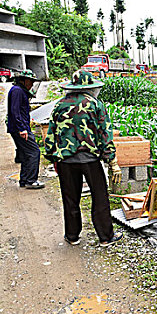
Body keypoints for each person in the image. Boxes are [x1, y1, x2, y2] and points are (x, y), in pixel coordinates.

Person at [44, 70, 123, 247]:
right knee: (100, 197)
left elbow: (51, 134)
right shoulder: (95, 104)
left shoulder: (59, 105)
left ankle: (72, 236)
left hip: (66, 161)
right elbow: (105, 134)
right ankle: (105, 237)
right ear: (90, 87)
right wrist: (112, 160)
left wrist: (53, 157)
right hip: (90, 160)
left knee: (70, 198)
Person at [6, 70, 45, 189]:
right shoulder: (17, 91)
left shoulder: (18, 90)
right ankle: (31, 180)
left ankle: (24, 179)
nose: (32, 84)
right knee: (34, 152)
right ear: (23, 80)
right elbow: (15, 111)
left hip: (18, 128)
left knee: (25, 153)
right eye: (30, 81)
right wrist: (22, 128)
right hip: (20, 129)